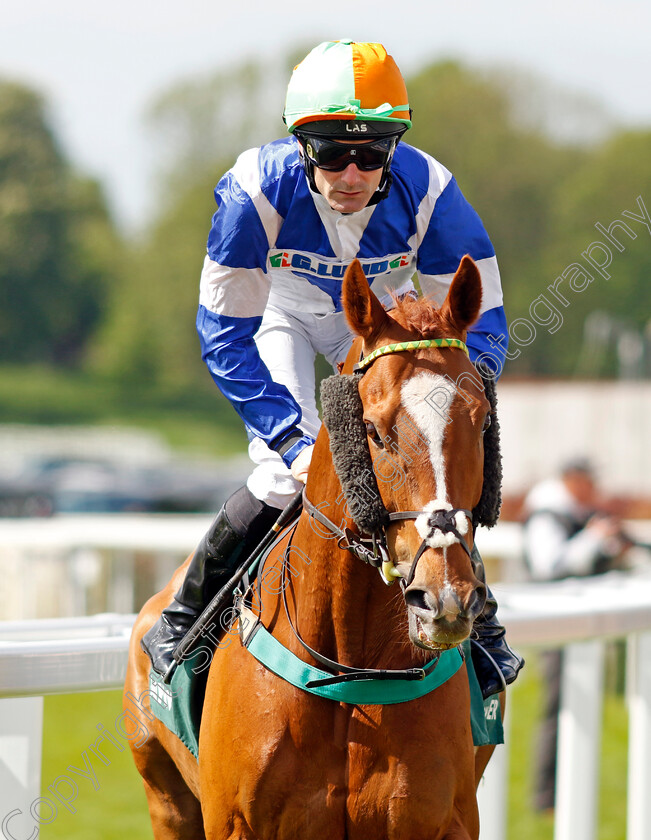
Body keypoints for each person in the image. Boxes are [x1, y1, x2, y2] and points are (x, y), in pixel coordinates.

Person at [142, 39, 523, 698]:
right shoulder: (252, 192)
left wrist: (451, 393)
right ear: (299, 148)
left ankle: (480, 628)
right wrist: (286, 433)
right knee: (285, 473)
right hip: (274, 312)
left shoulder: (431, 191)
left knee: (417, 458)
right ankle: (186, 621)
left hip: (375, 322)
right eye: (331, 153)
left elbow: (482, 323)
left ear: (393, 151)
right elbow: (225, 334)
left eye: (371, 154)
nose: (351, 173)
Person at [523, 457, 630, 811]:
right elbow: (549, 567)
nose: (595, 491)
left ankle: (566, 794)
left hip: (575, 624)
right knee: (557, 711)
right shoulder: (547, 514)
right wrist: (593, 540)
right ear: (572, 480)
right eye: (590, 482)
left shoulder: (573, 513)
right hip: (555, 624)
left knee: (576, 710)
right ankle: (547, 797)